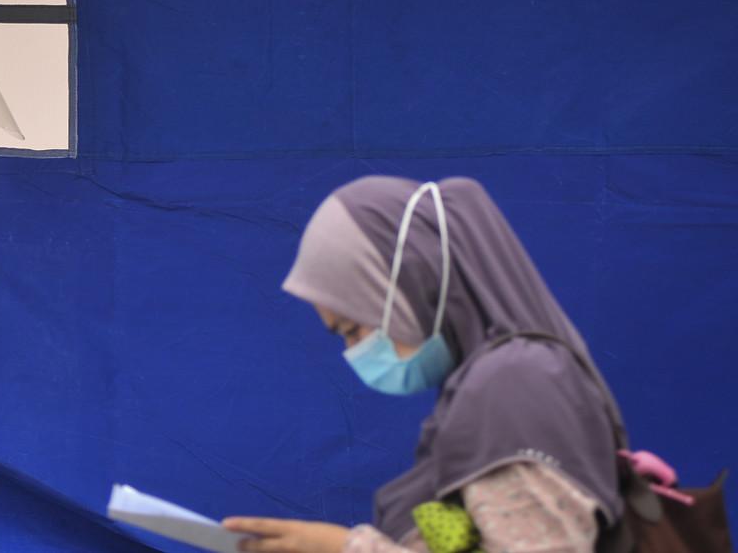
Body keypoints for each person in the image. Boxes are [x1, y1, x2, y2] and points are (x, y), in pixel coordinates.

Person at [223, 176, 624, 553]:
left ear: (417, 283)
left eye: (354, 328)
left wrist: (347, 548)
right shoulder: (501, 381)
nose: (353, 351)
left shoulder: (510, 384)